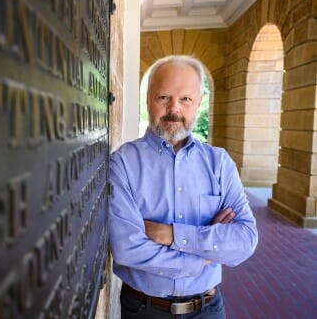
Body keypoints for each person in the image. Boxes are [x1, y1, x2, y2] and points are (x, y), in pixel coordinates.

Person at [109, 55, 258, 318]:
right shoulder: (122, 163)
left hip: (208, 309)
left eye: (185, 99)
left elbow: (244, 239)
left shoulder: (219, 163)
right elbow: (127, 249)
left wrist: (174, 235)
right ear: (148, 100)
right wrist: (205, 254)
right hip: (144, 310)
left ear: (199, 104)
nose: (174, 109)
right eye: (163, 97)